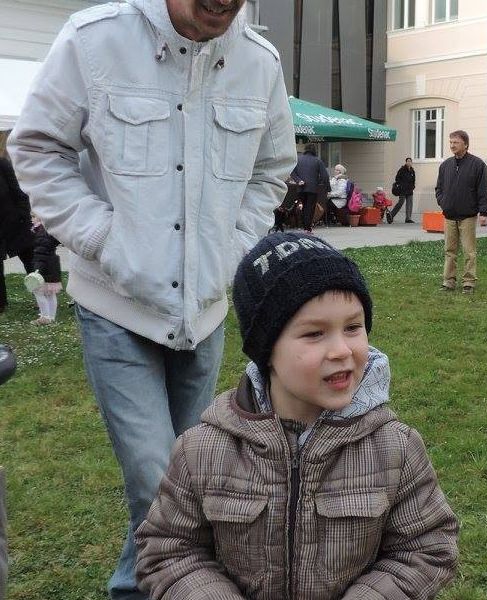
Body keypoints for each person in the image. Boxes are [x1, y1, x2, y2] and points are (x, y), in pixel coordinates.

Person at [7, 0, 296, 597]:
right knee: (161, 483)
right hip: (116, 305)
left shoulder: (260, 61)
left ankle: (131, 588)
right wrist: (101, 238)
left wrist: (235, 248)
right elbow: (36, 148)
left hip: (205, 311)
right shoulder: (95, 40)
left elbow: (271, 169)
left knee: (179, 478)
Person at [135, 232, 460, 599]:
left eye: (353, 327)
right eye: (315, 333)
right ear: (267, 350)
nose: (341, 350)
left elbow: (426, 547)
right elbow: (169, 550)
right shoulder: (202, 450)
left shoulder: (395, 448)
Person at [435, 130, 487, 293]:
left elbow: (483, 189)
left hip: (468, 216)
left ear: (465, 144)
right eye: (451, 142)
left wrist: (484, 212)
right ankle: (448, 281)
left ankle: (469, 282)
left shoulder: (477, 165)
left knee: (469, 251)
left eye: (456, 142)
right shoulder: (445, 165)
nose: (452, 145)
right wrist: (443, 202)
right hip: (449, 215)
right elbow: (439, 188)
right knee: (449, 251)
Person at [0, 155, 34, 313]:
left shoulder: (2, 164)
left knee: (30, 258)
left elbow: (20, 193)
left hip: (15, 221)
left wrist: (23, 215)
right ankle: (1, 303)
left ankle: (43, 296)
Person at [26, 215, 63, 326]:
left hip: (44, 266)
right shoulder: (48, 229)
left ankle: (45, 316)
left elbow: (41, 252)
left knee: (38, 291)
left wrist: (37, 269)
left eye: (33, 216)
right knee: (50, 293)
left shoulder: (41, 232)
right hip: (52, 265)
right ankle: (51, 317)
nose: (31, 219)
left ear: (40, 217)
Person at [291, 144, 329, 232]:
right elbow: (325, 176)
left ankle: (302, 225)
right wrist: (327, 187)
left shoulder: (298, 159)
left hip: (301, 188)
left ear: (305, 149)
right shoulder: (317, 160)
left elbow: (292, 172)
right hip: (312, 188)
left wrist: (298, 180)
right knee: (310, 208)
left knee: (302, 207)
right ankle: (307, 228)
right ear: (314, 150)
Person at [389, 157, 416, 224]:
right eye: (408, 161)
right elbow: (397, 178)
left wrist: (413, 187)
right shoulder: (402, 169)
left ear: (411, 162)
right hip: (403, 190)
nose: (409, 162)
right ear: (406, 162)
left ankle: (408, 218)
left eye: (410, 161)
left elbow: (413, 180)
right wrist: (401, 185)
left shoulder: (412, 171)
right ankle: (391, 215)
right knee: (400, 202)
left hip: (410, 190)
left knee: (409, 204)